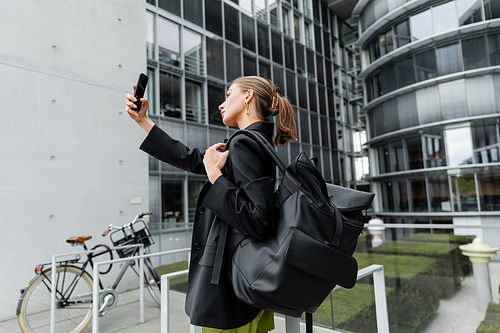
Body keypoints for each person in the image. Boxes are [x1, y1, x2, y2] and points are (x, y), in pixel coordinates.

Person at [125, 76, 297, 333]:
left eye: (229, 95)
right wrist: (143, 120)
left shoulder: (244, 143)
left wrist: (215, 176)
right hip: (249, 282)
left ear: (248, 96)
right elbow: (193, 159)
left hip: (233, 290)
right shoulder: (253, 141)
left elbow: (259, 220)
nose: (221, 103)